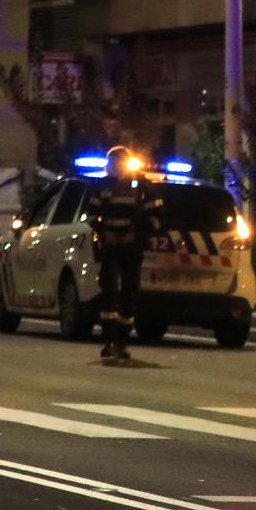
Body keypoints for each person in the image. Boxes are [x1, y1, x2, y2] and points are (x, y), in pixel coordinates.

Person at [86, 146, 163, 363]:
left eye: (121, 161)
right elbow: (91, 214)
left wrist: (137, 235)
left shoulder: (143, 187)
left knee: (129, 293)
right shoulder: (102, 186)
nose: (117, 166)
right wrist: (105, 232)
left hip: (132, 248)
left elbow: (157, 216)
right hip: (110, 248)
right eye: (114, 162)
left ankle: (122, 342)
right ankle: (108, 341)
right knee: (109, 293)